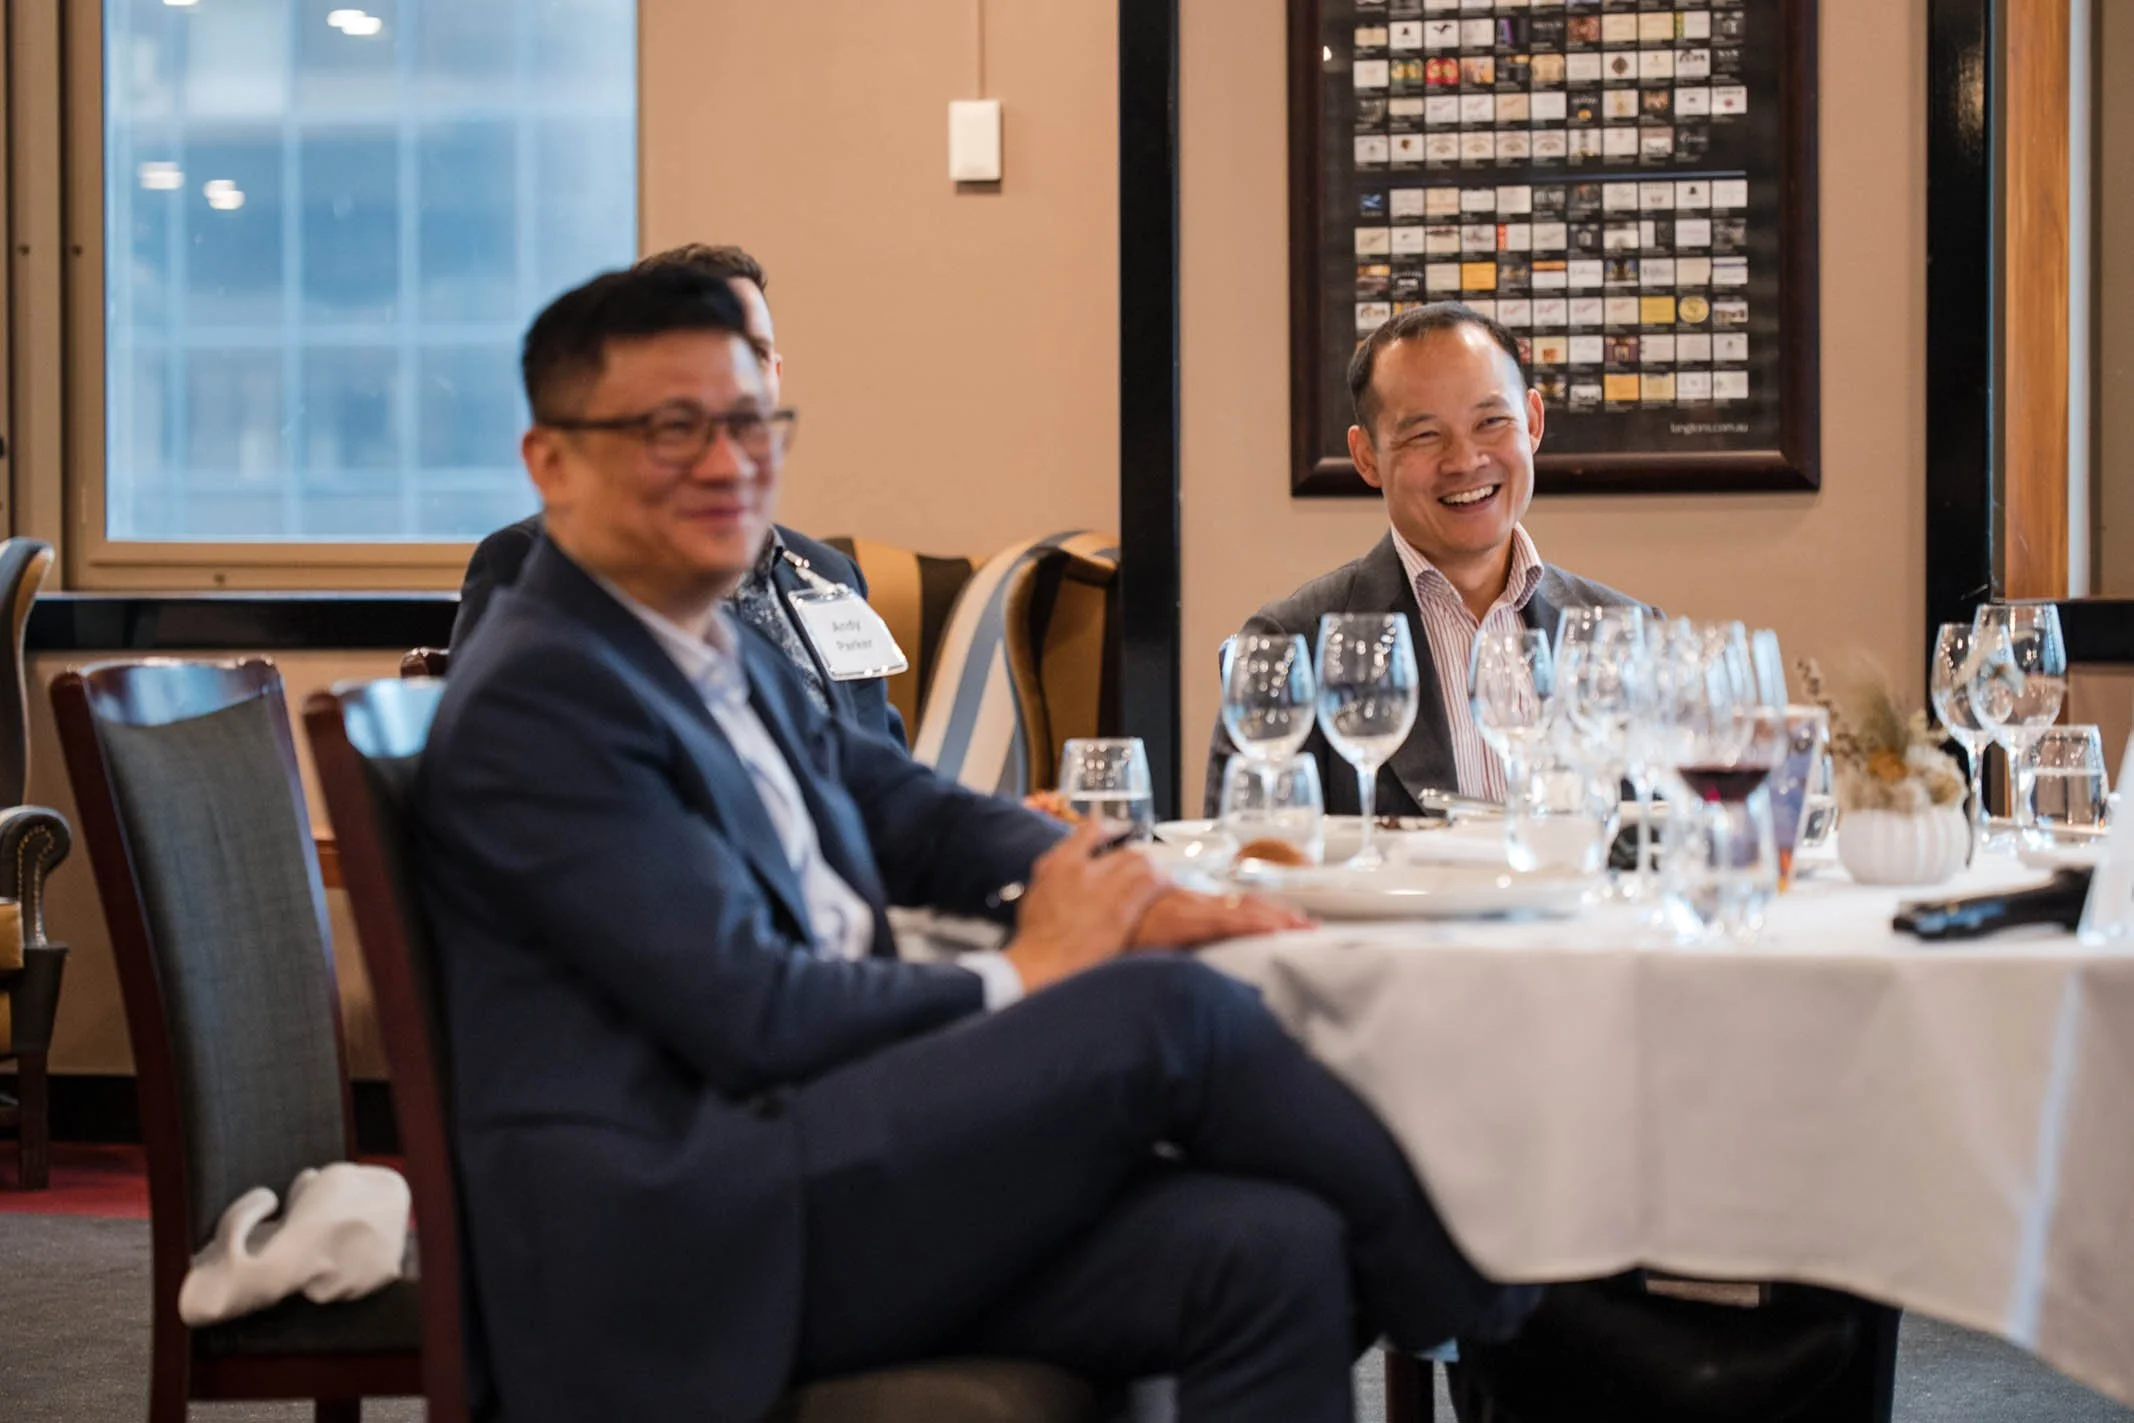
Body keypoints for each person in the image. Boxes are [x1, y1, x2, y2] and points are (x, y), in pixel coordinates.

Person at [414, 265, 1538, 1423]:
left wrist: (1115, 883)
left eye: (749, 422)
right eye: (670, 430)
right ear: (552, 462)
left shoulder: (701, 642)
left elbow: (907, 806)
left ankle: (1508, 1320)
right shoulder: (542, 691)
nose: (725, 462)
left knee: (1269, 1246)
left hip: (805, 1157)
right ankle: (1519, 1322)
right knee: (1167, 1012)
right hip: (684, 1238)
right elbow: (753, 1012)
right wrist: (1031, 967)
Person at [451, 243, 907, 746]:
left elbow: (874, 766)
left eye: (750, 355)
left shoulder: (823, 578)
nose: (726, 464)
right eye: (676, 426)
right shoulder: (538, 602)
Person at [1205, 302, 1647, 817]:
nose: (1465, 460)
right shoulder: (1291, 643)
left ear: (1531, 422)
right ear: (1367, 457)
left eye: (1491, 421)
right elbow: (1249, 856)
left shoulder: (1630, 634)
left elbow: (1665, 840)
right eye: (1424, 435)